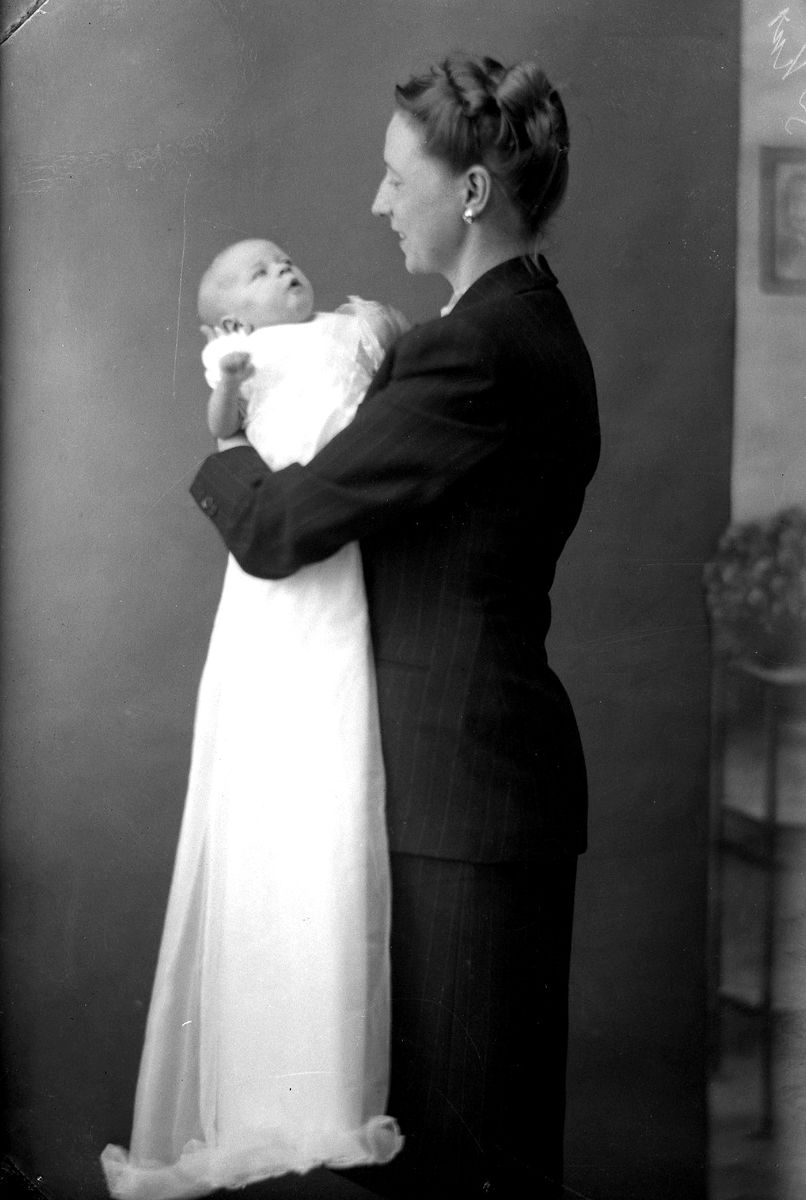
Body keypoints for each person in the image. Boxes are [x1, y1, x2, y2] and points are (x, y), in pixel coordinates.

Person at [189, 53, 600, 1200]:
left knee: (463, 1164)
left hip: (455, 797)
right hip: (471, 785)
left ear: (467, 192)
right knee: (463, 1151)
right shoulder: (519, 323)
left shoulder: (474, 348)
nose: (376, 203)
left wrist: (226, 445)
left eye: (393, 177)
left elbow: (282, 529)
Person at [100, 239, 407, 1199]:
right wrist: (230, 382)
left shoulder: (345, 329)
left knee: (333, 783)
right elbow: (224, 428)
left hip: (334, 547)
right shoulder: (240, 354)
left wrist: (378, 330)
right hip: (277, 566)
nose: (285, 274)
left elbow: (389, 382)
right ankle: (263, 1078)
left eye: (284, 262)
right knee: (272, 781)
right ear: (230, 319)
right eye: (260, 273)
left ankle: (323, 1073)